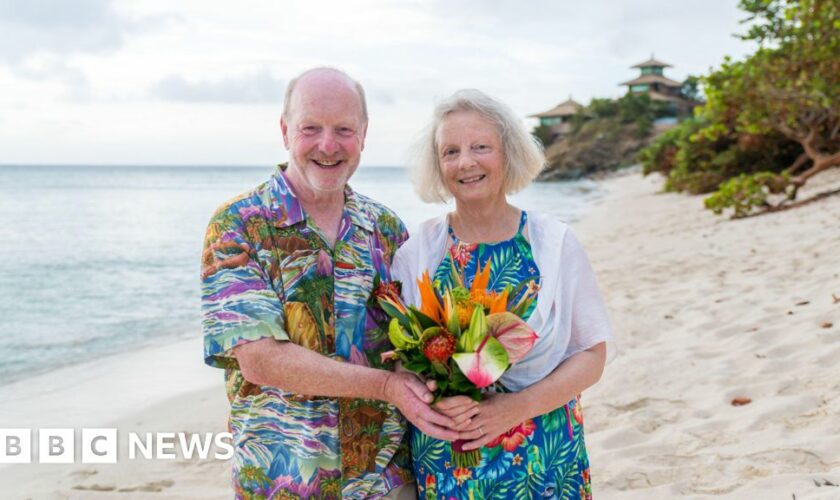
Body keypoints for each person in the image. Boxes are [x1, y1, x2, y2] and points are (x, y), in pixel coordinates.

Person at [201, 67, 457, 499]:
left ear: (363, 134)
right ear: (285, 131)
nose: (328, 145)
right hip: (284, 482)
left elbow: (411, 344)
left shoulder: (386, 229)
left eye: (343, 130)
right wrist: (387, 387)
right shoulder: (238, 227)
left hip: (386, 480)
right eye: (310, 129)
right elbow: (260, 360)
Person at [392, 89, 614, 499]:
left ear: (508, 154)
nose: (466, 162)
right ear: (437, 166)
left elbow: (591, 355)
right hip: (450, 457)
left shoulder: (554, 243)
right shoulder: (418, 251)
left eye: (481, 147)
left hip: (543, 453)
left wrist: (515, 408)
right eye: (451, 151)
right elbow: (403, 360)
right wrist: (436, 398)